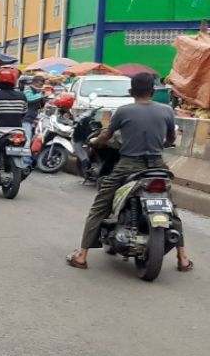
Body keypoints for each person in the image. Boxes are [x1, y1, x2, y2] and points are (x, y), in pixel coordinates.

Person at [66, 72, 193, 272]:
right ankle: (183, 257)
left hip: (128, 165)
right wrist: (160, 144)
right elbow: (170, 140)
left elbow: (106, 136)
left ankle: (81, 256)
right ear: (152, 91)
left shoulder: (123, 111)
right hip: (157, 166)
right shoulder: (166, 111)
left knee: (100, 205)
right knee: (169, 207)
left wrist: (93, 142)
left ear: (131, 91)